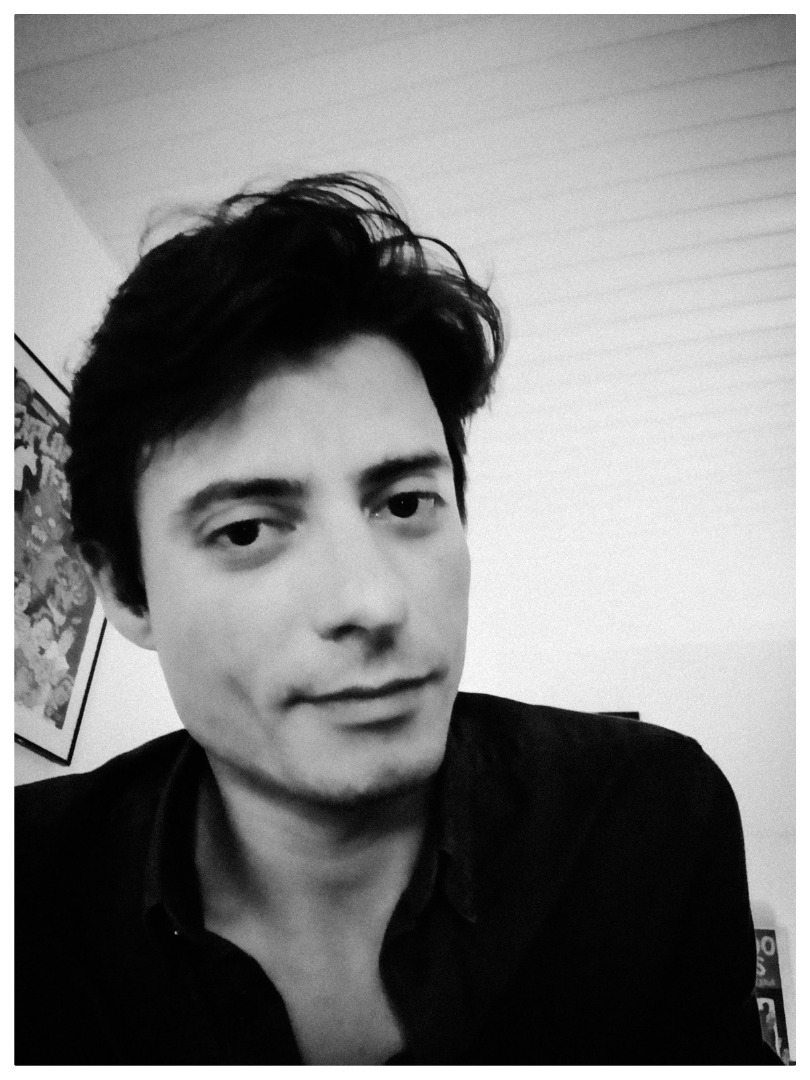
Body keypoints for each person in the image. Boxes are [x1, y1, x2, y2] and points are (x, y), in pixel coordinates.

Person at [15, 174, 780, 1065]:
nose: (374, 602)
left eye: (407, 503)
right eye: (248, 530)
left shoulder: (650, 824)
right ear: (123, 589)